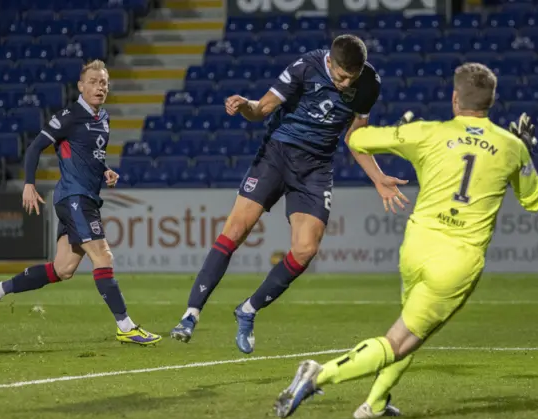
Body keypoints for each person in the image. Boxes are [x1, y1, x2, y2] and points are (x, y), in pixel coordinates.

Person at [274, 62, 538, 419]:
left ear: (454, 99)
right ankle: (318, 375)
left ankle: (376, 402)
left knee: (411, 326)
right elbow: (533, 200)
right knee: (402, 339)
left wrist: (393, 130)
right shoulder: (511, 146)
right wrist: (522, 153)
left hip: (416, 246)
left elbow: (357, 139)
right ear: (491, 101)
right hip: (457, 261)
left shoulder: (427, 132)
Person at [170, 34, 409, 354]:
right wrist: (244, 106)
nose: (346, 82)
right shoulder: (304, 68)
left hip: (315, 170)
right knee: (235, 230)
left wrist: (377, 177)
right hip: (276, 157)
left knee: (306, 249)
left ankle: (248, 310)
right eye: (341, 76)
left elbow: (356, 137)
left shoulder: (368, 83)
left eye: (353, 76)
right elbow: (262, 109)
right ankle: (190, 315)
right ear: (330, 62)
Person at [0, 60, 161, 346]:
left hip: (84, 197)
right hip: (74, 197)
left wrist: (105, 170)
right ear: (81, 86)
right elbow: (35, 147)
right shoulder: (69, 115)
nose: (99, 87)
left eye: (103, 82)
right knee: (103, 257)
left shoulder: (103, 118)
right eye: (93, 81)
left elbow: (89, 154)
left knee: (63, 269)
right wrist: (29, 183)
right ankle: (125, 326)